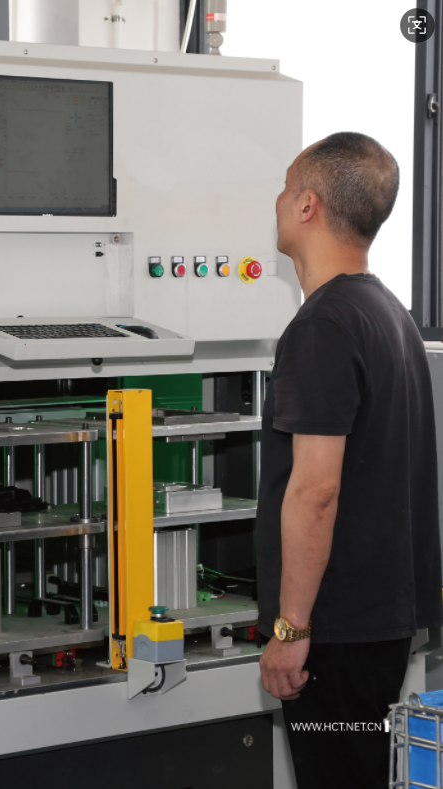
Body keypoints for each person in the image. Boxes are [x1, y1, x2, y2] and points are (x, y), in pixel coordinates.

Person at [257, 131, 443, 788]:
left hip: (332, 631)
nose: (278, 199)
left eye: (285, 186)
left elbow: (316, 491)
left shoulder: (322, 326)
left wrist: (291, 629)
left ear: (307, 204)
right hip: (378, 620)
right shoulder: (388, 311)